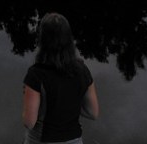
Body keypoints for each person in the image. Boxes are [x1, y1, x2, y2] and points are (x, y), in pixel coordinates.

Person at [22, 12, 99, 144]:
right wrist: (68, 104)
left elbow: (29, 122)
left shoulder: (36, 75)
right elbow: (93, 113)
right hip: (74, 140)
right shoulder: (82, 71)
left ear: (42, 40)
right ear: (69, 39)